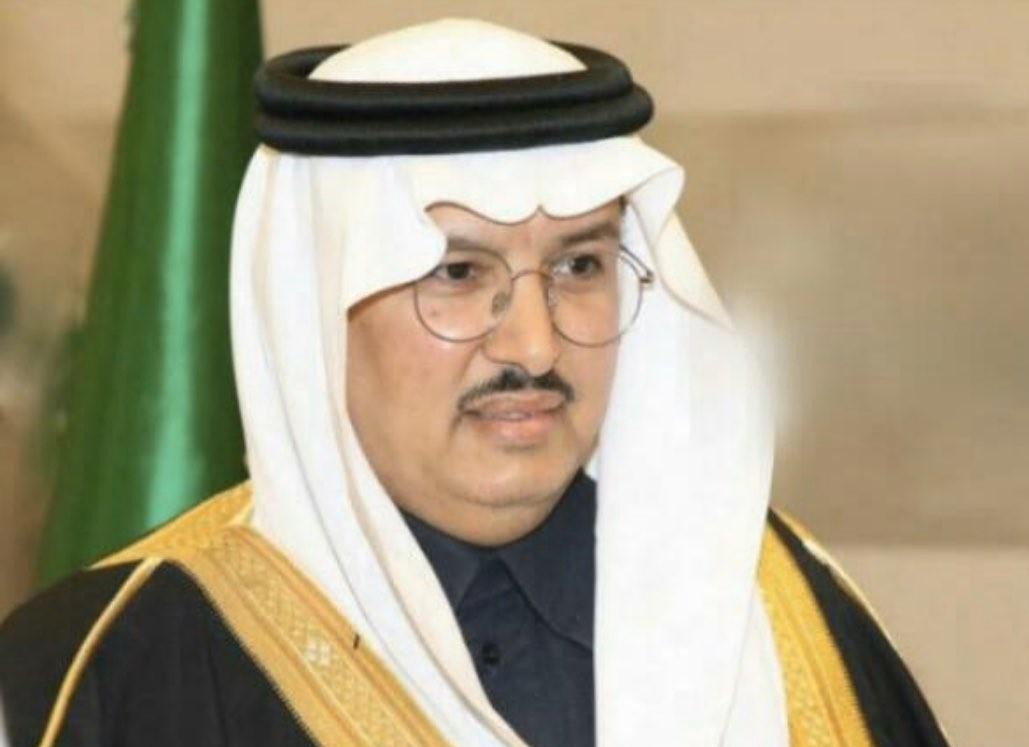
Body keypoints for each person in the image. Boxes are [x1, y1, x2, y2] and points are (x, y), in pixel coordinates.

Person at [0, 18, 948, 747]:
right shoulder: (112, 674)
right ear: (315, 304)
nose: (534, 344)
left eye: (578, 266)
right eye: (456, 274)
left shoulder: (785, 611)